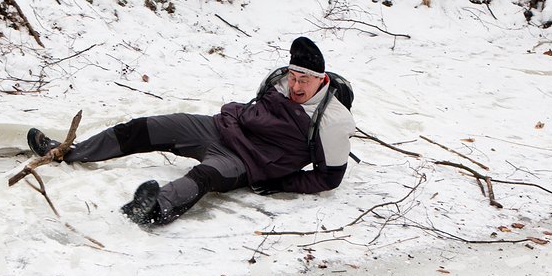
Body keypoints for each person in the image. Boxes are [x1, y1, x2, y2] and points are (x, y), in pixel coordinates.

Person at [27, 37, 355, 225]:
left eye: (304, 81)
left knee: (203, 177)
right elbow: (256, 109)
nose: (295, 86)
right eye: (294, 77)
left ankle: (153, 209)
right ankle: (68, 151)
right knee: (145, 127)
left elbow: (328, 179)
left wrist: (278, 181)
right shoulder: (278, 79)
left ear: (322, 79)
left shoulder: (333, 121)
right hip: (219, 127)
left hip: (246, 162)